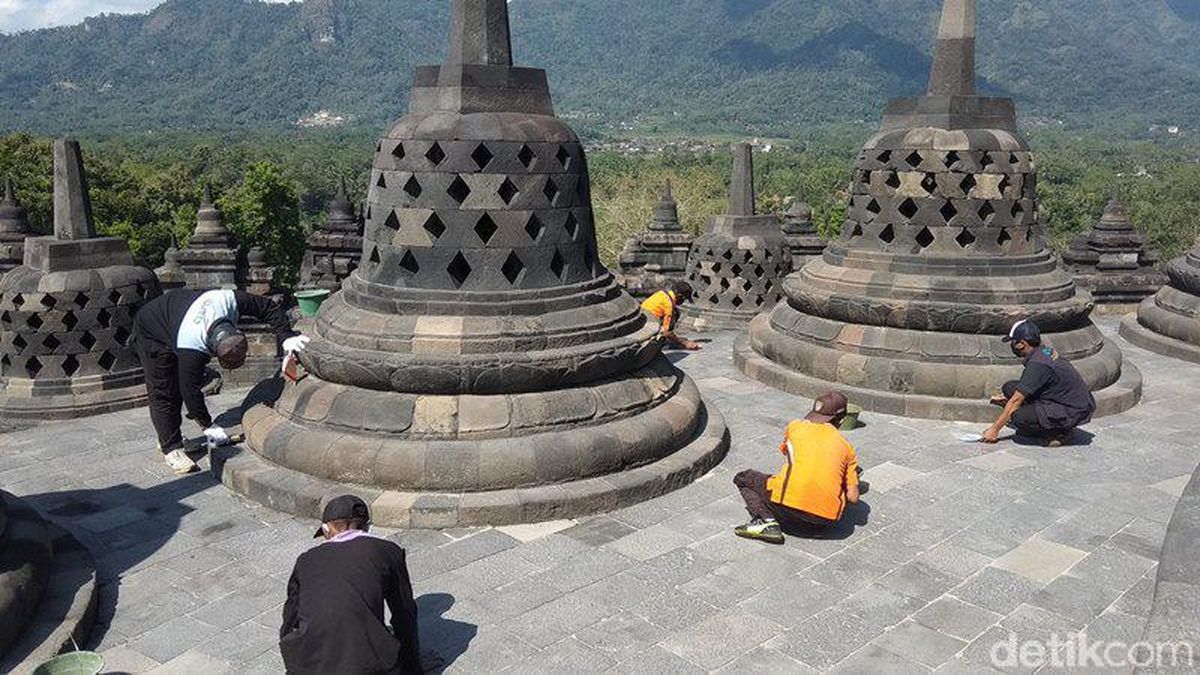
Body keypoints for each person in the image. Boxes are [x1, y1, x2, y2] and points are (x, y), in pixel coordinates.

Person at [133, 288, 308, 474]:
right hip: (151, 328)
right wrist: (209, 426)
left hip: (178, 313)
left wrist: (286, 336)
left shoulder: (229, 300)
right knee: (165, 389)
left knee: (178, 383)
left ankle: (168, 434)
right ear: (211, 349)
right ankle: (170, 448)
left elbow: (268, 307)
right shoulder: (192, 346)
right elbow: (190, 391)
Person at [280, 495, 421, 675]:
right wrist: (412, 668)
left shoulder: (305, 560)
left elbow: (290, 617)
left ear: (326, 530)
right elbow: (404, 615)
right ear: (368, 527)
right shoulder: (388, 552)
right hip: (369, 667)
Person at [733, 392, 860, 544]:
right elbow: (853, 497)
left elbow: (786, 451)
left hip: (786, 511)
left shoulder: (795, 427)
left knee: (744, 478)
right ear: (843, 419)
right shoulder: (847, 448)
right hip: (824, 524)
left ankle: (766, 521)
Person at [983, 319, 1096, 447]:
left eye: (1013, 342)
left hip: (1073, 410)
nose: (1012, 345)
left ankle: (1059, 432)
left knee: (1019, 418)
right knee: (1009, 388)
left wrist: (994, 429)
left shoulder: (1038, 364)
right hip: (1068, 400)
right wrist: (1009, 400)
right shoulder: (1043, 351)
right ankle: (1045, 419)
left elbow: (1016, 400)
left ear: (1022, 344)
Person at [641, 281, 701, 350]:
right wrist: (684, 343)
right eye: (684, 299)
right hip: (646, 328)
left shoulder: (662, 293)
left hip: (643, 321)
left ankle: (667, 339)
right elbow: (667, 332)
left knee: (675, 312)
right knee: (674, 314)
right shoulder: (669, 305)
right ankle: (660, 341)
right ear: (679, 296)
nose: (682, 302)